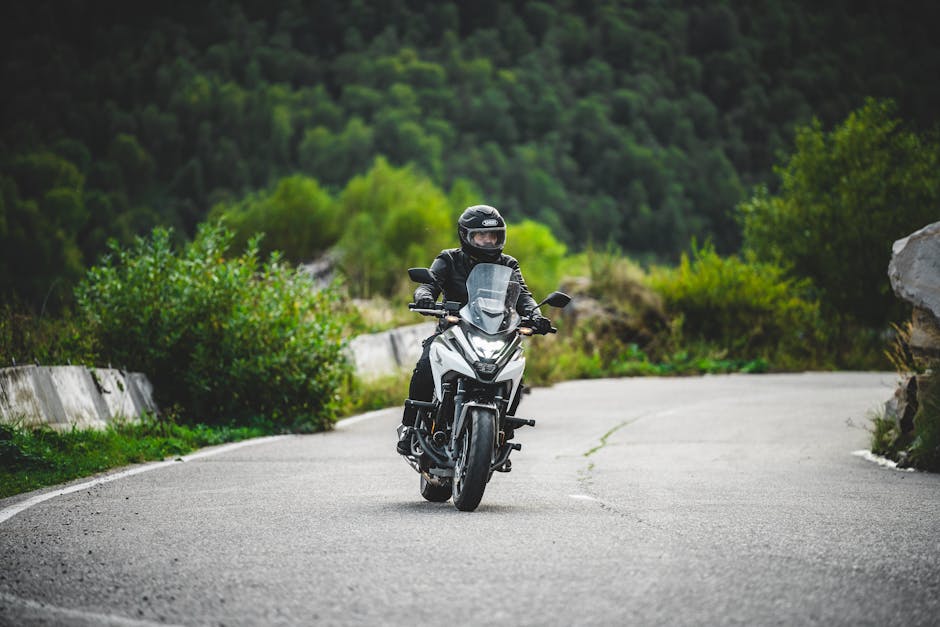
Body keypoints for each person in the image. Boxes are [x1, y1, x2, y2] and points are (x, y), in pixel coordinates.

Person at [397, 204, 552, 455]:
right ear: (466, 235)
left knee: (515, 374)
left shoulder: (508, 263)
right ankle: (409, 427)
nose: (488, 241)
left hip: (495, 333)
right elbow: (430, 283)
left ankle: (502, 431)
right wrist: (425, 296)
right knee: (426, 364)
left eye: (493, 236)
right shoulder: (449, 259)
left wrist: (535, 314)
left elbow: (523, 295)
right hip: (453, 332)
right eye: (481, 235)